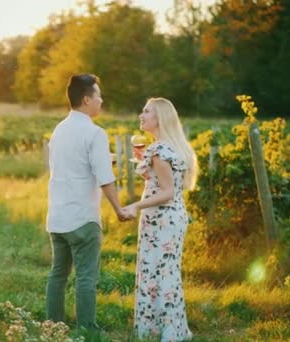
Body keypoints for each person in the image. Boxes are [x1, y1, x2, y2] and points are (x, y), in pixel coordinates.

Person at [45, 74, 133, 333]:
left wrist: (105, 160)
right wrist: (119, 208)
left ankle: (53, 328)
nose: (101, 100)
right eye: (98, 96)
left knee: (57, 274)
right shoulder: (95, 133)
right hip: (83, 217)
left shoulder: (59, 130)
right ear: (86, 100)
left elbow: (71, 164)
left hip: (58, 217)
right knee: (85, 277)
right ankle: (87, 331)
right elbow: (105, 178)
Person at [124, 98, 197, 341]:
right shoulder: (169, 147)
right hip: (173, 217)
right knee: (165, 272)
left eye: (146, 112)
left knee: (158, 272)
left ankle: (165, 333)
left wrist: (135, 205)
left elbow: (166, 192)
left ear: (160, 118)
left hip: (161, 219)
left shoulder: (158, 150)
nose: (141, 115)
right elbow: (163, 182)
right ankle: (171, 329)